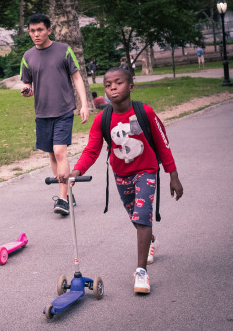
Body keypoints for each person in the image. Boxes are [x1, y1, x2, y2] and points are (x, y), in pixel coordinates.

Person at [59, 67, 184, 294]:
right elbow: (91, 151)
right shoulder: (102, 119)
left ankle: (141, 272)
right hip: (121, 175)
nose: (113, 87)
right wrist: (76, 171)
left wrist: (173, 175)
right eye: (108, 85)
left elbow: (163, 144)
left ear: (131, 86)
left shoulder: (145, 112)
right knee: (136, 218)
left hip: (146, 171)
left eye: (118, 83)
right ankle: (151, 240)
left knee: (142, 215)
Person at [20, 13, 90, 216]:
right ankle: (66, 191)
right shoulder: (28, 56)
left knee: (60, 152)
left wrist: (83, 105)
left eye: (40, 29)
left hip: (64, 110)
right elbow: (27, 82)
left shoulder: (64, 50)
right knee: (52, 154)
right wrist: (26, 90)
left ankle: (62, 199)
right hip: (42, 113)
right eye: (32, 31)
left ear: (49, 30)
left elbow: (77, 78)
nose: (36, 34)